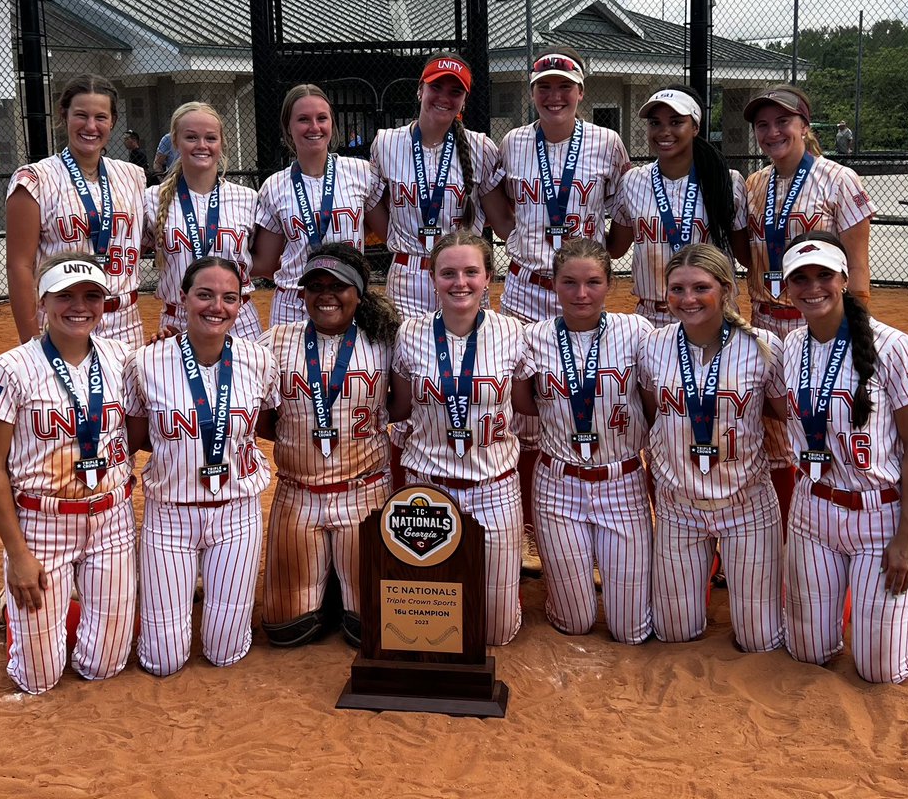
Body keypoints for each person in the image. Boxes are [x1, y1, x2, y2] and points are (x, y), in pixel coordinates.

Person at [486, 46, 630, 573]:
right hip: (527, 286)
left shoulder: (607, 144)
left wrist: (606, 256)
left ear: (580, 94)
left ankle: (595, 515)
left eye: (564, 86)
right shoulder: (514, 144)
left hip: (580, 290)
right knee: (524, 412)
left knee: (584, 392)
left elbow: (623, 212)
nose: (554, 96)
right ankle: (529, 530)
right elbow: (497, 205)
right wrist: (513, 236)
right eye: (544, 87)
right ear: (532, 94)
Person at [0, 252, 137, 694]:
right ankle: (12, 608)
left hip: (111, 519)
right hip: (43, 523)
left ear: (105, 303)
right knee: (38, 679)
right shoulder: (9, 368)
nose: (78, 306)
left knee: (104, 666)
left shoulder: (124, 359)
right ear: (42, 301)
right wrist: (17, 552)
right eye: (64, 295)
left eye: (90, 296)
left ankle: (36, 610)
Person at [780, 232, 908, 683]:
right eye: (800, 278)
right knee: (808, 653)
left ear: (845, 278)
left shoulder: (895, 348)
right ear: (787, 286)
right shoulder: (790, 347)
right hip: (813, 512)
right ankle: (864, 607)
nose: (813, 287)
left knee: (880, 671)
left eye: (824, 275)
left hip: (880, 517)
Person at [124, 257, 279, 676]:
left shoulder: (259, 360)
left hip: (236, 512)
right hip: (170, 514)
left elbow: (269, 426)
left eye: (229, 298)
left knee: (224, 651)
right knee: (163, 660)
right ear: (183, 298)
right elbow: (136, 439)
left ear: (242, 303)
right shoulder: (146, 362)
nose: (217, 306)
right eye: (204, 295)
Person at [739, 85, 875, 527]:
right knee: (774, 434)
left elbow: (857, 268)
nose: (773, 131)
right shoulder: (754, 184)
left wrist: (859, 336)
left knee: (827, 425)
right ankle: (780, 542)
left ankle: (842, 529)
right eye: (763, 124)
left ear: (804, 125)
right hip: (764, 318)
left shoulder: (839, 180)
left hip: (819, 324)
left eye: (783, 121)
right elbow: (753, 253)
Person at [640, 244, 785, 652]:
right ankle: (713, 563)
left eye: (700, 287)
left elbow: (783, 414)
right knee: (674, 633)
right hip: (679, 508)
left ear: (725, 288)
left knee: (760, 641)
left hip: (747, 506)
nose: (687, 299)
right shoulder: (653, 345)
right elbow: (655, 415)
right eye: (677, 289)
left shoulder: (763, 346)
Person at [257, 243, 400, 648]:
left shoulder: (385, 340)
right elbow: (262, 418)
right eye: (314, 285)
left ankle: (340, 583)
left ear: (358, 292)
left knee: (369, 631)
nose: (325, 294)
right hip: (297, 494)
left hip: (364, 491)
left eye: (338, 286)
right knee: (287, 630)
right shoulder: (276, 342)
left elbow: (400, 405)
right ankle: (331, 586)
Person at [390, 230, 529, 646]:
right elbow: (398, 410)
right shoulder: (410, 333)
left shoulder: (512, 333)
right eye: (448, 272)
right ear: (432, 276)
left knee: (495, 634)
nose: (460, 282)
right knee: (430, 624)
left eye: (472, 272)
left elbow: (526, 404)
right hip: (426, 490)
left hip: (494, 487)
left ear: (488, 277)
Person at [512, 238, 653, 644]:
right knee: (575, 621)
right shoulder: (534, 337)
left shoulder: (636, 331)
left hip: (621, 481)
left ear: (610, 283)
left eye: (593, 281)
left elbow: (650, 405)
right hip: (558, 483)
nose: (581, 293)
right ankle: (564, 596)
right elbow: (525, 402)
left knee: (630, 630)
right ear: (554, 285)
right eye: (569, 282)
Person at [6, 75, 146, 347]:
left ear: (113, 121)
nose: (91, 126)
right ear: (64, 116)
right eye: (81, 115)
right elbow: (19, 265)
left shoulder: (133, 176)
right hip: (64, 319)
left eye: (101, 117)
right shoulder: (35, 179)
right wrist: (30, 341)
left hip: (126, 322)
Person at [366, 52, 508, 319]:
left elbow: (498, 216)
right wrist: (400, 240)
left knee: (469, 356)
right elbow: (373, 203)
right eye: (436, 87)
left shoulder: (481, 148)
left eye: (455, 91)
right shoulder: (386, 143)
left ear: (464, 101)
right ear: (420, 90)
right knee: (408, 354)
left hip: (462, 277)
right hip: (408, 277)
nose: (444, 97)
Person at [608, 85, 745, 329]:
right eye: (655, 123)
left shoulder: (726, 180)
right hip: (652, 316)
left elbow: (745, 253)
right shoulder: (633, 181)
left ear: (695, 127)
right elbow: (616, 248)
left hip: (711, 313)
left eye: (675, 122)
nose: (664, 131)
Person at [254, 84, 384, 327]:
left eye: (321, 118)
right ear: (288, 128)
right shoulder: (274, 186)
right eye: (303, 119)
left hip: (347, 297)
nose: (314, 127)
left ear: (331, 124)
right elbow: (267, 263)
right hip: (294, 303)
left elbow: (388, 230)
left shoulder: (361, 173)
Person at [145, 102, 263, 340]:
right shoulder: (151, 199)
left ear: (221, 143)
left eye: (210, 138)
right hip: (178, 321)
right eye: (191, 137)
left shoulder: (247, 198)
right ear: (175, 142)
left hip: (238, 322)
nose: (202, 145)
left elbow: (263, 260)